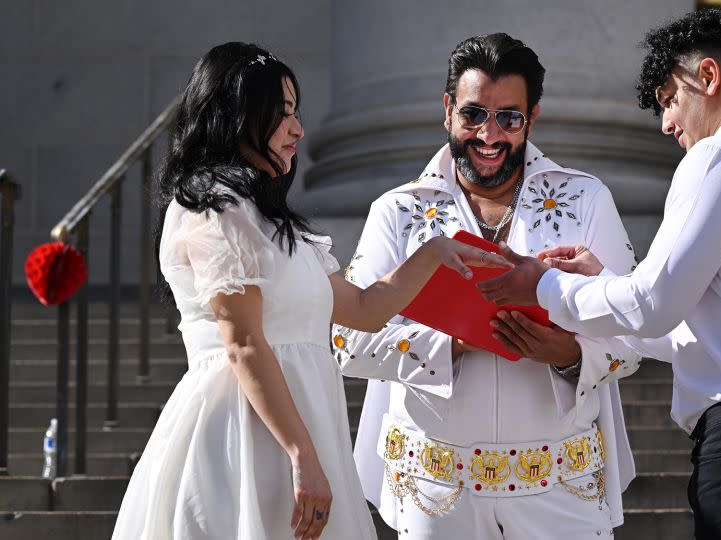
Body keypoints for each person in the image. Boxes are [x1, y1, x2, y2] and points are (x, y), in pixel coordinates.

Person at [111, 42, 508, 540]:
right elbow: (244, 343)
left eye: (296, 112)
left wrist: (433, 253)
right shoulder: (214, 207)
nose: (297, 129)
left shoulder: (271, 221)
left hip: (304, 431)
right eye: (281, 115)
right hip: (244, 434)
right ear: (237, 116)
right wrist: (302, 456)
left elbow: (364, 309)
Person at [477, 9, 721, 540]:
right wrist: (599, 282)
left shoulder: (719, 158)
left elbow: (651, 305)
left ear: (708, 77)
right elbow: (691, 333)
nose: (667, 124)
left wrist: (540, 283)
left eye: (670, 99)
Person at [335, 33, 662, 540]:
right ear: (448, 111)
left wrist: (568, 354)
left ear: (532, 118)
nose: (489, 135)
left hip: (561, 483)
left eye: (509, 118)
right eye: (473, 115)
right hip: (435, 486)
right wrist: (455, 340)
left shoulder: (586, 199)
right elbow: (347, 342)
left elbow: (633, 332)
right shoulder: (398, 211)